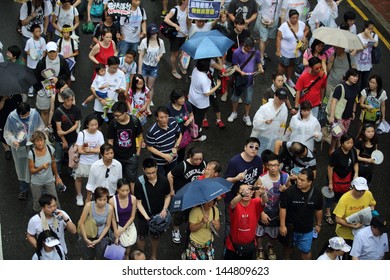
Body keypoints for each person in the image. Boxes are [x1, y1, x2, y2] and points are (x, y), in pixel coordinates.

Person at [4, 102, 45, 200]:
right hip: (20, 148)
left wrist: (36, 137)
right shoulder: (12, 117)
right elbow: (8, 132)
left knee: (38, 167)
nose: (25, 116)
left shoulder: (34, 114)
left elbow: (40, 126)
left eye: (27, 114)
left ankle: (41, 190)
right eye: (23, 115)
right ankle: (23, 190)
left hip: (33, 146)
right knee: (21, 168)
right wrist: (13, 141)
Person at [279, 168, 323, 260]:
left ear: (309, 182)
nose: (298, 181)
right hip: (291, 228)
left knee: (306, 250)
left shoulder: (317, 194)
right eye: (298, 178)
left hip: (307, 230)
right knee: (288, 247)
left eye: (302, 180)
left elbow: (318, 210)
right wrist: (282, 226)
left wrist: (318, 224)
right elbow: (283, 208)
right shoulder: (290, 191)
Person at [224, 137, 263, 236]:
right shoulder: (235, 162)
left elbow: (257, 177)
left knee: (245, 223)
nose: (254, 149)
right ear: (245, 147)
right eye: (251, 146)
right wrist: (236, 178)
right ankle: (228, 247)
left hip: (248, 198)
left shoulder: (258, 160)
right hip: (234, 197)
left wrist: (254, 190)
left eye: (256, 148)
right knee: (231, 223)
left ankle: (243, 243)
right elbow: (226, 180)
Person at [134, 158, 171, 260]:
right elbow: (138, 203)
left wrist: (164, 209)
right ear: (143, 170)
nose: (151, 175)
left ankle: (154, 256)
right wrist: (146, 217)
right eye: (148, 173)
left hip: (158, 214)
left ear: (156, 168)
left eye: (153, 172)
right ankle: (141, 257)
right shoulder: (139, 183)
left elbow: (168, 196)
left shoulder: (163, 180)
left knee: (155, 237)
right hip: (143, 216)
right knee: (142, 237)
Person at [168, 147, 207, 244]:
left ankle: (189, 227)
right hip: (183, 194)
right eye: (196, 159)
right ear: (190, 156)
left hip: (196, 195)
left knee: (192, 213)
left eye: (200, 159)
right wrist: (172, 189)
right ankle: (176, 230)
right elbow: (170, 175)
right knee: (179, 214)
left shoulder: (204, 164)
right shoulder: (183, 166)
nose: (198, 161)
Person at [255, 152, 290, 260]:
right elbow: (256, 198)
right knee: (260, 233)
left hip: (278, 213)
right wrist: (261, 213)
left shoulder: (285, 176)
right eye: (270, 165)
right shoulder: (262, 179)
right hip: (264, 212)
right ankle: (260, 250)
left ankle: (270, 248)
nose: (273, 168)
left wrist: (286, 189)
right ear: (267, 166)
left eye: (275, 165)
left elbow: (291, 189)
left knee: (274, 234)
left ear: (279, 165)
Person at [107, 101, 143, 194]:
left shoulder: (135, 121)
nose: (116, 117)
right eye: (114, 115)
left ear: (125, 112)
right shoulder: (113, 123)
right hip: (117, 157)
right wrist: (111, 155)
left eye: (118, 115)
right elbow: (110, 140)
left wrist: (138, 152)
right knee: (116, 179)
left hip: (131, 156)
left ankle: (133, 199)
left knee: (132, 180)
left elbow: (140, 136)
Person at [227, 37, 263, 127]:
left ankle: (246, 115)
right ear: (244, 45)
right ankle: (234, 112)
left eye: (251, 48)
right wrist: (240, 72)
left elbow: (258, 62)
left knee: (248, 100)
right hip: (240, 79)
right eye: (248, 48)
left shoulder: (256, 52)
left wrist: (260, 67)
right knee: (235, 98)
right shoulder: (236, 52)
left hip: (250, 81)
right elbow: (235, 65)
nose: (249, 49)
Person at [333, 177, 376, 251]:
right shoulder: (344, 199)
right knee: (343, 253)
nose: (361, 193)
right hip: (345, 234)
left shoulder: (368, 194)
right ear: (353, 187)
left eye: (363, 190)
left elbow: (372, 204)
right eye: (359, 190)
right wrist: (352, 226)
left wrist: (370, 211)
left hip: (361, 231)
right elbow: (337, 219)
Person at [224, 183, 265, 260]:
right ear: (238, 194)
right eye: (243, 191)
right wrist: (242, 194)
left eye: (248, 191)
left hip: (249, 246)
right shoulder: (236, 205)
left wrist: (264, 193)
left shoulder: (255, 202)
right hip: (233, 246)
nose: (246, 193)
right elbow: (232, 203)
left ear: (252, 193)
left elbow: (264, 201)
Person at [34, 41, 71, 126]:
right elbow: (36, 77)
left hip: (59, 89)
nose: (52, 54)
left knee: (59, 110)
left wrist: (58, 79)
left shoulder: (62, 61)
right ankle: (46, 130)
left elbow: (67, 74)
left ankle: (57, 129)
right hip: (45, 89)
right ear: (46, 51)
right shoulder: (41, 63)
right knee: (45, 110)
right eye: (50, 52)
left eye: (54, 51)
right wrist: (39, 89)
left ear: (57, 51)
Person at [325, 133, 358, 225]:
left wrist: (356, 174)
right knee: (330, 196)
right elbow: (330, 168)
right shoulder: (336, 154)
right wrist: (330, 183)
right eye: (348, 143)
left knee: (340, 196)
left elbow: (355, 163)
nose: (350, 145)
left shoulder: (353, 151)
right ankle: (327, 214)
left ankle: (336, 212)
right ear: (342, 143)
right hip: (334, 178)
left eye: (351, 143)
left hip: (346, 178)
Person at [73, 114, 105, 206]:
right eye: (92, 125)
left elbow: (101, 150)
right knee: (79, 178)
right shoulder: (82, 134)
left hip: (95, 162)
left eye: (96, 125)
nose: (94, 127)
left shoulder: (99, 134)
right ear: (87, 125)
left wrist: (89, 150)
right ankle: (79, 195)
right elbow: (80, 150)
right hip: (82, 162)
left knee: (93, 181)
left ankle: (89, 195)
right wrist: (95, 151)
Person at [327, 69, 360, 155]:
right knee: (336, 135)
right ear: (348, 76)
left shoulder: (356, 87)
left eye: (357, 76)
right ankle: (332, 149)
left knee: (343, 134)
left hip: (347, 116)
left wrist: (353, 111)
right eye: (353, 76)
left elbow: (355, 100)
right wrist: (331, 116)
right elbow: (333, 102)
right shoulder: (340, 87)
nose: (355, 78)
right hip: (339, 117)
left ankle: (340, 150)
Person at [28, 130, 62, 212]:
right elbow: (32, 170)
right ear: (34, 142)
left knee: (54, 199)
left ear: (44, 140)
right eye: (37, 141)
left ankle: (58, 218)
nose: (40, 143)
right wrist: (41, 167)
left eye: (41, 140)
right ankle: (41, 219)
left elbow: (53, 163)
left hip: (49, 180)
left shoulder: (50, 149)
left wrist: (57, 177)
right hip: (36, 182)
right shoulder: (31, 153)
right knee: (38, 202)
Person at [188, 58, 221, 140]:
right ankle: (196, 136)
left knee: (193, 117)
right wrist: (217, 85)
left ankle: (191, 130)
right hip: (201, 104)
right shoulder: (204, 79)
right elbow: (207, 93)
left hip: (192, 98)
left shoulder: (195, 70)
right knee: (198, 121)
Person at [276, 9, 309, 88]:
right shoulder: (284, 26)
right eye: (293, 18)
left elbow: (307, 29)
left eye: (296, 18)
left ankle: (289, 79)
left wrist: (304, 36)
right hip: (285, 52)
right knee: (283, 65)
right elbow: (278, 38)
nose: (295, 19)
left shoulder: (301, 24)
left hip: (296, 52)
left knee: (292, 65)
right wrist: (278, 50)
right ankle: (279, 78)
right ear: (289, 18)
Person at [78, 186, 113, 260]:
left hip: (101, 236)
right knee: (87, 256)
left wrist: (99, 239)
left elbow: (107, 225)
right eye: (100, 199)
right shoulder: (89, 206)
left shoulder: (109, 208)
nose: (102, 202)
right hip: (88, 235)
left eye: (104, 199)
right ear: (95, 199)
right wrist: (85, 239)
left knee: (100, 256)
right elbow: (81, 222)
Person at [145, 106, 182, 176]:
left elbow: (179, 134)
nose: (164, 119)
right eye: (161, 117)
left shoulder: (173, 121)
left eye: (166, 116)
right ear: (157, 118)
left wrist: (176, 147)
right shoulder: (151, 131)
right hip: (159, 162)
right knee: (161, 179)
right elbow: (149, 147)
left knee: (173, 176)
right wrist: (164, 156)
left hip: (173, 158)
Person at [138, 23, 166, 113]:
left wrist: (159, 57)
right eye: (153, 33)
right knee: (142, 85)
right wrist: (139, 69)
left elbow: (162, 52)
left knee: (150, 87)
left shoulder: (160, 42)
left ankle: (148, 105)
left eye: (156, 33)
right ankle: (141, 103)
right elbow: (141, 56)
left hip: (154, 67)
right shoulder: (144, 42)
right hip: (145, 66)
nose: (155, 35)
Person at [251, 87, 288, 154]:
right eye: (280, 98)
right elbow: (255, 122)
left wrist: (279, 139)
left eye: (283, 99)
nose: (281, 101)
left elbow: (283, 125)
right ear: (275, 96)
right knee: (258, 156)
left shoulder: (284, 109)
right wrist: (265, 122)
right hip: (262, 137)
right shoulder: (265, 108)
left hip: (274, 139)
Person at [91, 56, 126, 126]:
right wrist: (100, 99)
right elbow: (92, 88)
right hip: (100, 106)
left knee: (112, 126)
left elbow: (123, 88)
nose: (115, 70)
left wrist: (120, 90)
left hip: (113, 106)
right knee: (97, 125)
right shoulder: (102, 72)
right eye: (113, 68)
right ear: (108, 65)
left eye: (117, 67)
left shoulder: (121, 74)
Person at [53, 88, 81, 175]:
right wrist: (64, 140)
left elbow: (76, 125)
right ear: (63, 100)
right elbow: (59, 128)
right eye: (68, 100)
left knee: (72, 157)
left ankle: (71, 171)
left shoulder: (76, 109)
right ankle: (58, 173)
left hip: (72, 138)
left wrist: (65, 132)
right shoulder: (58, 111)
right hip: (60, 139)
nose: (71, 102)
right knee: (58, 158)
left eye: (72, 99)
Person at [108, 178, 137, 260]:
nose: (125, 193)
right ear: (117, 190)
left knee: (127, 250)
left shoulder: (133, 199)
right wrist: (116, 232)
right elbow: (113, 219)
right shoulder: (112, 201)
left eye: (127, 190)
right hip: (118, 227)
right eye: (122, 190)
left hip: (129, 227)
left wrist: (123, 229)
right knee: (120, 253)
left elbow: (132, 216)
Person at [166, 89, 194, 163]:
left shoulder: (186, 105)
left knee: (181, 152)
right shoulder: (168, 108)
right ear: (175, 100)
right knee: (172, 152)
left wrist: (189, 120)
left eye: (183, 97)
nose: (183, 100)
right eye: (181, 98)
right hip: (172, 136)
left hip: (184, 134)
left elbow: (191, 115)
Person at [163, 0, 189, 79]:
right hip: (177, 36)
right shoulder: (175, 10)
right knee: (175, 54)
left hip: (185, 35)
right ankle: (174, 70)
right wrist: (175, 25)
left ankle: (181, 65)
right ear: (183, 1)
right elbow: (166, 19)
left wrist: (189, 15)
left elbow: (190, 23)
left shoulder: (189, 10)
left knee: (183, 53)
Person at [353, 20, 379, 91]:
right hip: (358, 64)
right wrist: (360, 48)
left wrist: (369, 36)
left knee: (364, 82)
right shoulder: (358, 36)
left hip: (368, 64)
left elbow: (376, 44)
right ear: (365, 27)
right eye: (369, 29)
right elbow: (353, 51)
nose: (370, 30)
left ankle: (361, 96)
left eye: (372, 29)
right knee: (355, 81)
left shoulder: (374, 36)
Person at [255, 0, 282, 66]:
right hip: (264, 19)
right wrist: (259, 14)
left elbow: (281, 8)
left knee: (267, 39)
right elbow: (257, 4)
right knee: (263, 39)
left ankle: (261, 50)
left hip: (274, 20)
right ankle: (261, 57)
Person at [24, 24, 46, 97]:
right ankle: (31, 88)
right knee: (31, 76)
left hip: (39, 63)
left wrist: (43, 57)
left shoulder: (42, 40)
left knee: (39, 76)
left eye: (39, 31)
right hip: (31, 63)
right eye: (37, 31)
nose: (39, 33)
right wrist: (31, 54)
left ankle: (38, 88)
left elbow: (44, 50)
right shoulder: (29, 41)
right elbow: (26, 51)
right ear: (33, 33)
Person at [0, 94, 23, 161]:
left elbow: (20, 105)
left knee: (18, 131)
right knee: (3, 133)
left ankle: (17, 143)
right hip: (2, 117)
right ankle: (7, 149)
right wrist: (4, 99)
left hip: (15, 118)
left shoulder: (16, 94)